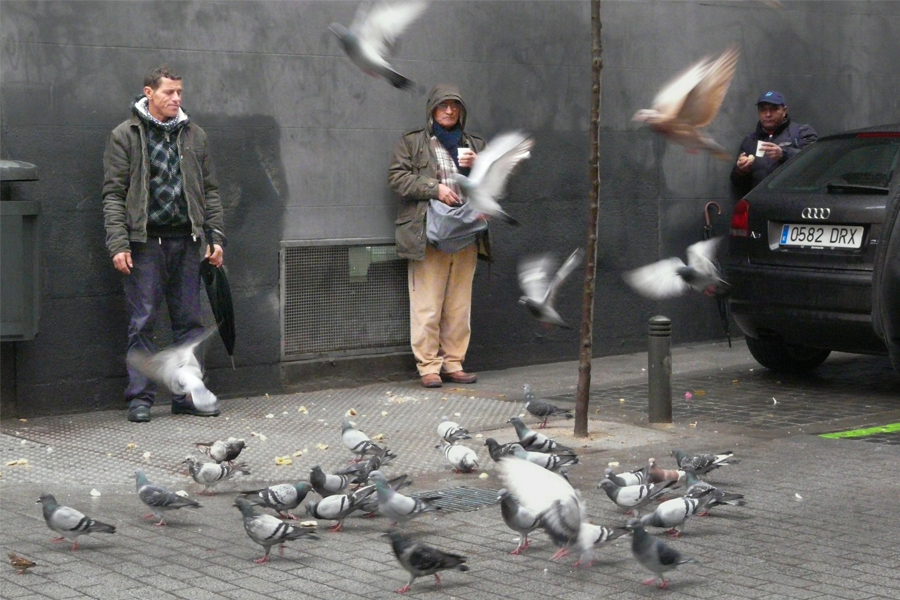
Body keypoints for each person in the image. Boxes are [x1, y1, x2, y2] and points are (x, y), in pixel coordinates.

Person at [102, 66, 226, 422]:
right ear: (149, 93)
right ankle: (140, 399)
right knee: (142, 321)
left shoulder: (194, 135)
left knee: (189, 323)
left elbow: (210, 191)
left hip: (187, 242)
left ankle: (187, 396)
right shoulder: (125, 135)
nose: (176, 99)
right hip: (145, 244)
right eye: (169, 92)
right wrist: (118, 244)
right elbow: (113, 195)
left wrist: (215, 236)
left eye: (179, 93)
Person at [388, 84, 490, 388]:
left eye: (455, 106)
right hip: (428, 232)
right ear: (432, 108)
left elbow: (496, 183)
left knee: (459, 305)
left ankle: (454, 362)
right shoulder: (413, 142)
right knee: (427, 304)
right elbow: (397, 178)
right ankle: (429, 366)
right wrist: (435, 189)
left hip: (466, 231)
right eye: (443, 105)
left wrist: (480, 166)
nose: (449, 111)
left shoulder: (475, 144)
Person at [730, 90, 818, 197]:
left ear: (784, 110)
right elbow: (737, 183)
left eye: (774, 109)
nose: (768, 114)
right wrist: (741, 171)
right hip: (760, 205)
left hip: (794, 204)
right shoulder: (750, 140)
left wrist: (783, 155)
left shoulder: (802, 132)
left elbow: (815, 165)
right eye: (763, 110)